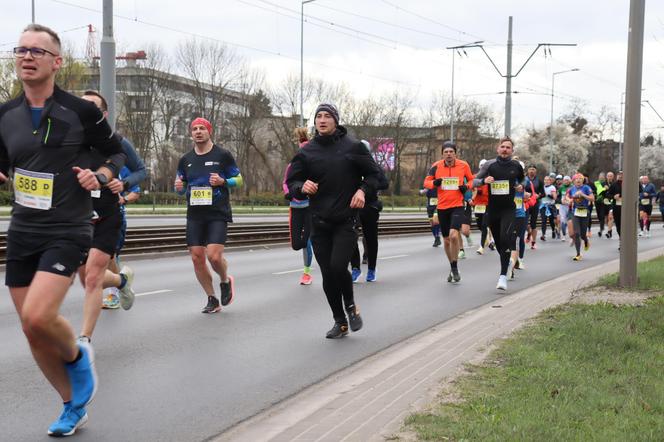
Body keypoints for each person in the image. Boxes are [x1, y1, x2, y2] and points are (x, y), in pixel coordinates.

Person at [0, 24, 125, 436]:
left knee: (39, 314)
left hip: (68, 227)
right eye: (21, 49)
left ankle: (76, 357)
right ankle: (73, 406)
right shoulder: (5, 115)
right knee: (31, 329)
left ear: (57, 62)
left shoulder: (81, 111)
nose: (27, 56)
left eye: (38, 50)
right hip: (23, 228)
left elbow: (115, 153)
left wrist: (101, 174)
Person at [286, 103, 387, 339]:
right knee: (328, 274)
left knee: (337, 266)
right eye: (318, 116)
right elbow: (292, 184)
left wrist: (362, 190)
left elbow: (377, 177)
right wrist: (302, 186)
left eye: (327, 116)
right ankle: (339, 321)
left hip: (345, 220)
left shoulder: (353, 147)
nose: (322, 120)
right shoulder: (306, 151)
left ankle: (351, 305)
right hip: (319, 222)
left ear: (336, 120)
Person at [78, 91, 144, 338]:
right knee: (87, 279)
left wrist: (124, 184)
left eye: (90, 108)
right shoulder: (67, 140)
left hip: (107, 215)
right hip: (77, 218)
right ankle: (121, 281)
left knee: (93, 279)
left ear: (103, 114)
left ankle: (84, 338)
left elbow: (140, 170)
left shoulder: (117, 141)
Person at [175, 117, 242, 313]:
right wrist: (179, 187)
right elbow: (181, 186)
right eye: (194, 129)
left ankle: (224, 280)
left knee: (213, 256)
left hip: (217, 212)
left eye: (202, 128)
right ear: (191, 133)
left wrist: (223, 182)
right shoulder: (185, 160)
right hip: (195, 213)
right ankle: (212, 298)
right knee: (197, 257)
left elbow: (239, 180)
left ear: (209, 131)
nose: (198, 131)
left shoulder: (222, 155)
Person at [473, 136, 524, 291]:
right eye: (503, 147)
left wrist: (521, 187)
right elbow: (474, 182)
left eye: (508, 147)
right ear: (498, 149)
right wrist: (483, 182)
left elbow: (523, 181)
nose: (505, 150)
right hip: (493, 210)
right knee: (500, 243)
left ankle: (502, 277)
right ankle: (507, 261)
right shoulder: (489, 165)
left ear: (512, 151)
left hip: (509, 209)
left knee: (506, 237)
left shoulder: (516, 166)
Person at [423, 141, 474, 283]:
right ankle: (452, 267)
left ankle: (455, 266)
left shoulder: (463, 165)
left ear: (455, 153)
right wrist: (435, 183)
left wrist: (466, 187)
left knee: (453, 235)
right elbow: (426, 182)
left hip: (457, 205)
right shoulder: (436, 166)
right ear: (442, 154)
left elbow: (472, 180)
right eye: (446, 152)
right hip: (442, 207)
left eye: (451, 151)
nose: (449, 154)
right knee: (446, 240)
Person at [102, 165, 142, 309]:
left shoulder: (121, 167)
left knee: (109, 256)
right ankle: (122, 279)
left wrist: (122, 200)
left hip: (114, 218)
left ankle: (114, 294)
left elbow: (135, 192)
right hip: (90, 218)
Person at [284, 127, 314, 285]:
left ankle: (307, 273)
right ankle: (313, 240)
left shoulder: (315, 164)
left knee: (307, 240)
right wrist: (288, 193)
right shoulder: (293, 164)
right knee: (297, 244)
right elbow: (286, 182)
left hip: (310, 207)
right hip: (295, 207)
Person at [350, 140, 383, 282]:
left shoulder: (374, 166)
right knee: (351, 237)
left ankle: (371, 269)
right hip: (354, 206)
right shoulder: (351, 166)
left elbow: (384, 182)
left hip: (370, 206)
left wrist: (369, 185)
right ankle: (355, 269)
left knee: (370, 239)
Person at [567, 173, 595, 260]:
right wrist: (569, 200)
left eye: (580, 179)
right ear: (573, 181)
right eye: (576, 179)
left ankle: (586, 240)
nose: (578, 180)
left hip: (585, 211)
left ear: (583, 180)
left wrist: (583, 195)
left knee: (583, 235)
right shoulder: (571, 189)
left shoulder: (586, 188)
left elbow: (592, 199)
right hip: (575, 212)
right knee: (576, 233)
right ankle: (578, 254)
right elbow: (566, 198)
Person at [472, 159, 491, 255]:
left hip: (487, 205)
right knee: (479, 225)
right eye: (481, 166)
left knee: (484, 225)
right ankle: (489, 240)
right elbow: (470, 187)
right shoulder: (475, 177)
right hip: (477, 205)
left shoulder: (491, 178)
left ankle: (481, 247)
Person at [524, 165, 544, 249]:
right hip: (525, 203)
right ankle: (529, 233)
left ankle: (533, 242)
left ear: (535, 171)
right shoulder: (523, 179)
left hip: (535, 203)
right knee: (524, 223)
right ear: (528, 171)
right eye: (530, 169)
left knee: (533, 224)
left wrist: (538, 196)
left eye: (533, 169)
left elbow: (543, 193)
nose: (531, 171)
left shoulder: (539, 181)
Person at [539, 175, 558, 240]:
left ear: (550, 181)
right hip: (543, 206)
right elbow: (539, 195)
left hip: (550, 206)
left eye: (548, 180)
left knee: (551, 220)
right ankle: (543, 235)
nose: (546, 181)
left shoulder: (552, 187)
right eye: (545, 180)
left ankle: (553, 230)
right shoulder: (542, 187)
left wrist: (548, 195)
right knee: (543, 220)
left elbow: (555, 198)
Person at [606, 171, 624, 240]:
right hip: (617, 207)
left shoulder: (628, 184)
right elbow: (607, 195)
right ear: (617, 176)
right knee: (618, 223)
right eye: (619, 175)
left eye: (622, 175)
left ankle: (626, 238)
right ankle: (621, 239)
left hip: (627, 208)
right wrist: (613, 196)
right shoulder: (614, 184)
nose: (620, 176)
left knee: (625, 224)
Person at [593, 172, 609, 237]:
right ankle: (601, 225)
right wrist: (604, 188)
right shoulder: (596, 183)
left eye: (602, 176)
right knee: (599, 215)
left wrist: (607, 189)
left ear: (604, 177)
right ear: (598, 177)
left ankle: (601, 229)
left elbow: (607, 191)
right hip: (597, 201)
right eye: (600, 176)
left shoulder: (606, 183)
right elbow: (598, 191)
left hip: (603, 202)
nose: (601, 177)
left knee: (602, 215)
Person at [556, 175, 572, 241]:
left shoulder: (572, 187)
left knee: (570, 221)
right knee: (563, 221)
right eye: (565, 180)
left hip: (570, 206)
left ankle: (571, 236)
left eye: (567, 180)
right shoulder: (561, 188)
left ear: (570, 181)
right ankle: (564, 235)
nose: (566, 181)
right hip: (563, 206)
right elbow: (557, 197)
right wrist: (561, 202)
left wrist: (571, 202)